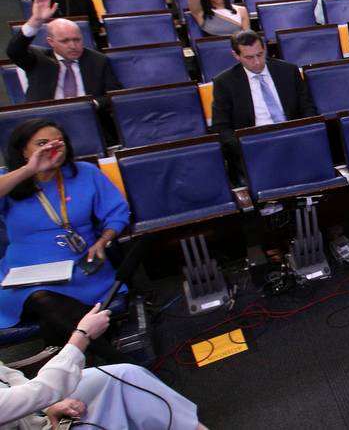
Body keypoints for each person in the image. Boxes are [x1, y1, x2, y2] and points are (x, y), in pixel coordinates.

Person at [0, 120, 129, 365]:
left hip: (80, 267)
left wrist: (104, 240)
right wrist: (30, 169)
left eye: (58, 142)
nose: (52, 148)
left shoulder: (85, 173)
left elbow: (117, 213)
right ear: (23, 151)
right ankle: (114, 359)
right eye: (41, 144)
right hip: (23, 275)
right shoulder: (9, 180)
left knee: (50, 310)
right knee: (41, 296)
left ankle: (67, 365)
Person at [0, 304, 207, 429]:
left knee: (125, 375)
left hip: (33, 418)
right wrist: (82, 336)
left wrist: (48, 407)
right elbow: (42, 390)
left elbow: (13, 379)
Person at [5, 0, 120, 105]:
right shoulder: (38, 58)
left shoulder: (98, 60)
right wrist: (36, 21)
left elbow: (114, 95)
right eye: (65, 41)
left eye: (77, 40)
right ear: (51, 42)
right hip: (45, 119)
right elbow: (14, 51)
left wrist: (92, 104)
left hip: (86, 118)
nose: (73, 46)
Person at [210, 30, 317, 137]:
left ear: (264, 48)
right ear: (236, 55)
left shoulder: (288, 71)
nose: (257, 62)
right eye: (249, 57)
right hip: (255, 141)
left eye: (260, 54)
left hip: (294, 135)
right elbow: (221, 127)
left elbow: (308, 108)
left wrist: (306, 133)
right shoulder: (224, 82)